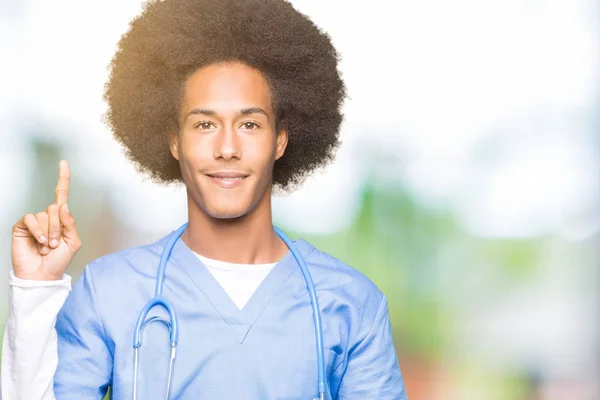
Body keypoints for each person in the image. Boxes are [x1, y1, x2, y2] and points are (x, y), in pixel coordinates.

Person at [2, 0, 407, 398]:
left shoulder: (352, 305)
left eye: (249, 124)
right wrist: (35, 291)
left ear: (280, 139)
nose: (227, 147)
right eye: (205, 124)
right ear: (175, 141)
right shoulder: (109, 292)